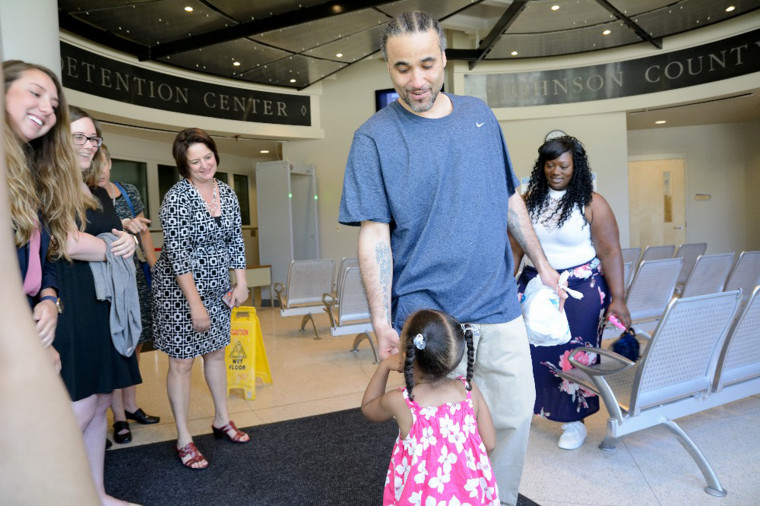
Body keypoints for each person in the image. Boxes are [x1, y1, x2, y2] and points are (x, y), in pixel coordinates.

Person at [339, 11, 561, 505]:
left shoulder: (480, 115)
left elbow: (509, 200)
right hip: (428, 318)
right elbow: (374, 235)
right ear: (387, 67)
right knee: (432, 442)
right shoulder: (373, 137)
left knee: (510, 418)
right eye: (401, 69)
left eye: (426, 64)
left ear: (443, 58)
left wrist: (543, 265)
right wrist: (381, 324)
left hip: (496, 304)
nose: (416, 81)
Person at [0, 61, 100, 505]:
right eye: (35, 93)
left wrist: (49, 297)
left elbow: (43, 256)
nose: (46, 108)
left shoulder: (28, 171)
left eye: (53, 103)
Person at [510, 135, 632, 450]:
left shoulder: (592, 202)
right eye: (550, 165)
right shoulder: (527, 201)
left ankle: (574, 422)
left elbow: (611, 253)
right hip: (536, 287)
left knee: (575, 357)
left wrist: (619, 298)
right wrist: (505, 288)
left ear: (575, 166)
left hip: (581, 291)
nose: (556, 171)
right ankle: (536, 408)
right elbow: (514, 251)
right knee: (534, 353)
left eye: (563, 165)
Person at [53, 105, 142, 506]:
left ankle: (95, 495)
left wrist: (129, 241)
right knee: (81, 406)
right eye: (79, 138)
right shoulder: (50, 183)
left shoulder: (96, 191)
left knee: (103, 400)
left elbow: (114, 237)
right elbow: (65, 242)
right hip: (73, 304)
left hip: (105, 305)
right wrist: (114, 248)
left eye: (93, 138)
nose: (88, 146)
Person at [151, 127, 249, 470]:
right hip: (180, 293)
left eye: (208, 157)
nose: (205, 165)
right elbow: (177, 255)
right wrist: (194, 303)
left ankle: (222, 419)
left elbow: (235, 239)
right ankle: (183, 437)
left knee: (216, 354)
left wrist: (241, 281)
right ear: (184, 166)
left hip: (218, 290)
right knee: (182, 363)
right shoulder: (176, 199)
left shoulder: (227, 192)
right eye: (196, 161)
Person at [362, 309, 500, 505]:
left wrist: (384, 366)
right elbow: (490, 444)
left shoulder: (403, 401)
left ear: (406, 354)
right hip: (469, 495)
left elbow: (368, 407)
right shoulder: (469, 391)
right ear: (454, 355)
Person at [95, 144, 160, 445]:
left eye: (105, 162)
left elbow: (144, 231)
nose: (102, 169)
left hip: (135, 276)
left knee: (136, 338)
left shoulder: (128, 191)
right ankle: (118, 416)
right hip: (107, 281)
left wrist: (153, 268)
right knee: (116, 343)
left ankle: (131, 405)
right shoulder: (86, 196)